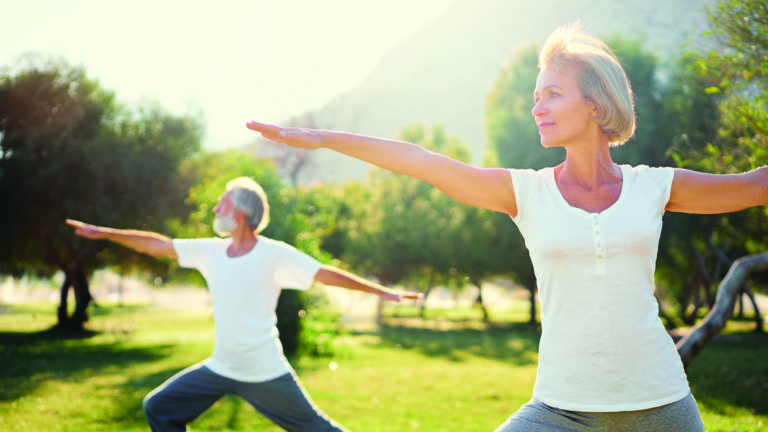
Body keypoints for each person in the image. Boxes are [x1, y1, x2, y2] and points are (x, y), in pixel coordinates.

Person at [245, 24, 767, 432]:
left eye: (552, 95)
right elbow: (422, 161)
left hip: (660, 402)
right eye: (535, 96)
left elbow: (754, 184)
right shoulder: (526, 192)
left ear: (594, 102)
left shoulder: (654, 187)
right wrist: (320, 137)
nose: (536, 107)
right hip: (563, 408)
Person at [66, 176, 419, 432]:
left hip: (263, 370)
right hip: (221, 367)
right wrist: (107, 233)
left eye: (223, 202)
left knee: (317, 429)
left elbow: (322, 273)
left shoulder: (273, 254)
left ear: (240, 213)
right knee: (159, 408)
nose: (216, 207)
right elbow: (158, 245)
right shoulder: (211, 251)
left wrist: (381, 292)